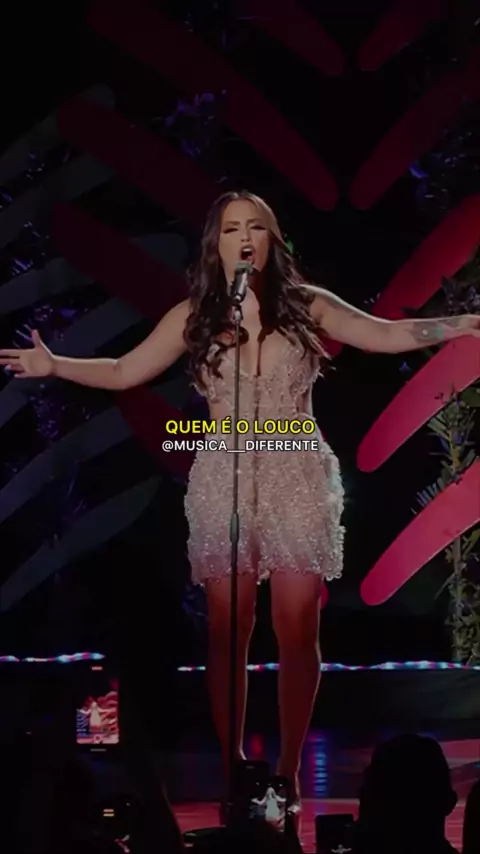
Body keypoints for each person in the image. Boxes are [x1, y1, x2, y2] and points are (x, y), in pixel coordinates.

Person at [1, 191, 479, 814]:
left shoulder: (307, 304)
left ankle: (288, 770)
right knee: (230, 630)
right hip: (223, 475)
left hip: (295, 471)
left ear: (271, 240)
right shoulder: (197, 315)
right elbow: (123, 370)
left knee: (296, 625)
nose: (245, 237)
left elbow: (382, 335)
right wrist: (55, 365)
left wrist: (460, 325)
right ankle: (233, 769)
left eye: (255, 226)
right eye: (231, 229)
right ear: (216, 244)